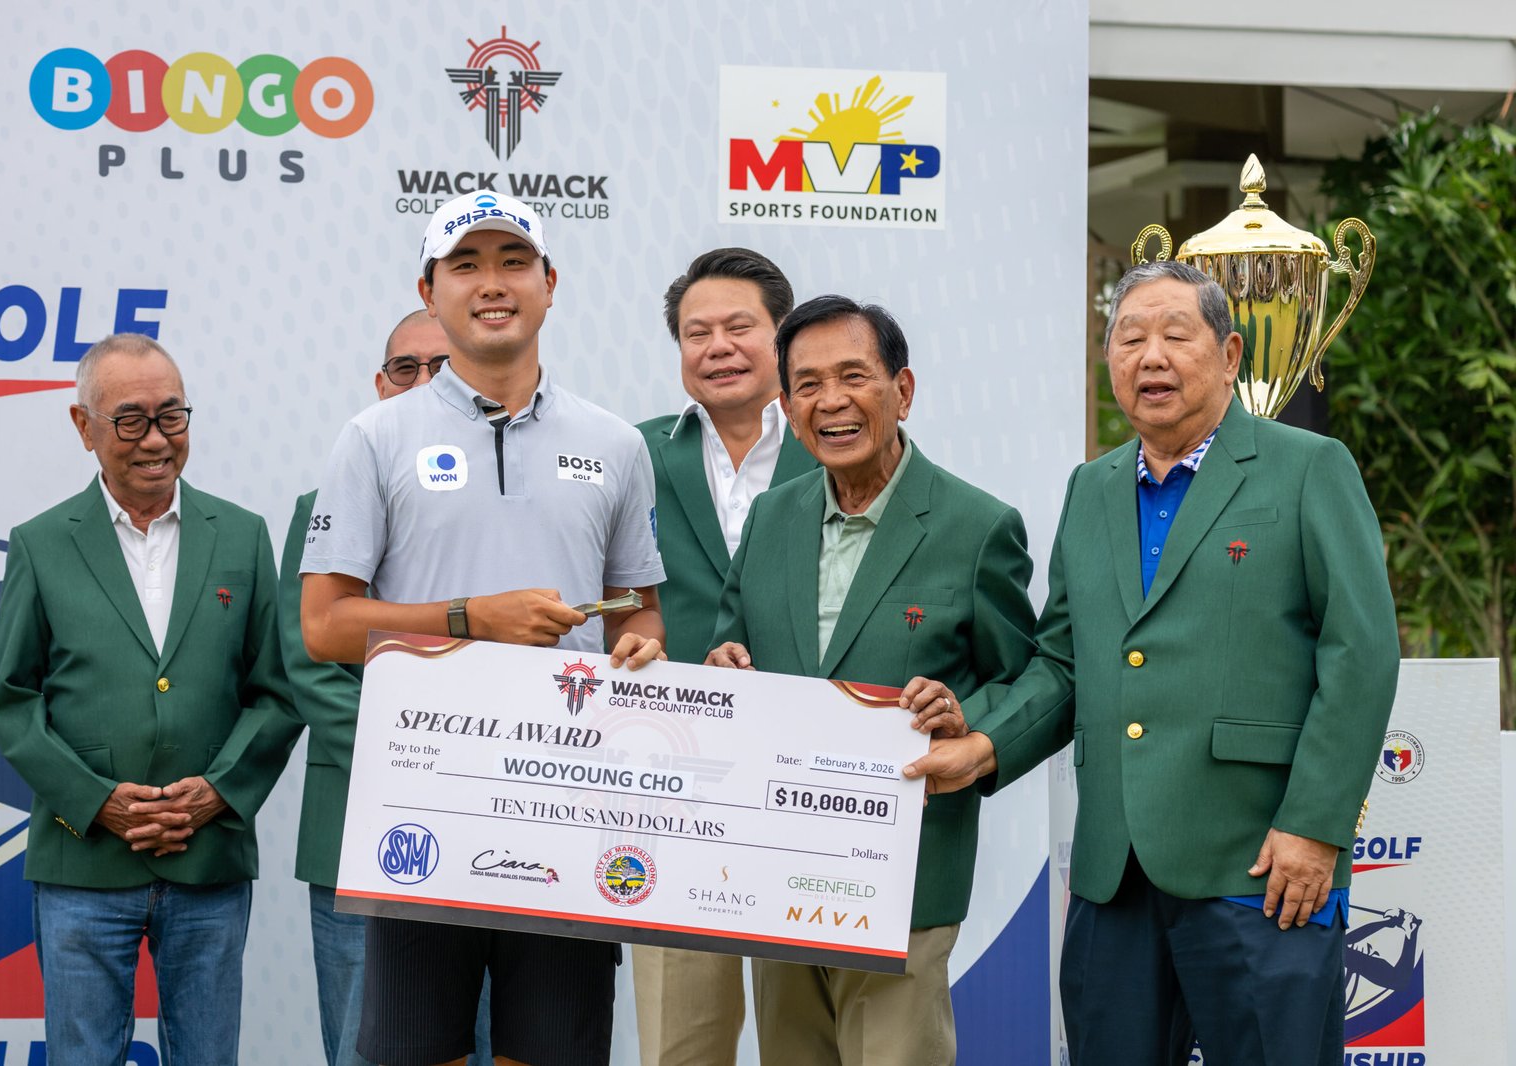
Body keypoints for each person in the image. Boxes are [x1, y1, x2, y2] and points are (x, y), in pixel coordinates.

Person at [906, 260, 1401, 1066]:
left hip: (1260, 864)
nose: (1151, 356)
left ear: (1232, 355)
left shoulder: (1308, 466)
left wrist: (1313, 827)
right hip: (1114, 875)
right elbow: (1064, 660)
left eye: (1177, 335)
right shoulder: (1091, 487)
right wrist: (985, 744)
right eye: (1130, 338)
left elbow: (1363, 652)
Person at [299, 189, 667, 1066]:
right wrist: (474, 620)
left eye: (512, 263)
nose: (491, 283)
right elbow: (325, 625)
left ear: (550, 283)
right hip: (425, 808)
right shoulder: (374, 438)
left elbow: (639, 607)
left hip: (570, 808)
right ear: (429, 291)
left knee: (553, 1053)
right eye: (465, 264)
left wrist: (643, 645)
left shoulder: (615, 444)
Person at [705, 295, 1038, 1066]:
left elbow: (1025, 679)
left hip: (904, 881)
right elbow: (734, 642)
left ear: (903, 390)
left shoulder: (978, 526)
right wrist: (723, 665)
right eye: (808, 385)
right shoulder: (771, 518)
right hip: (775, 871)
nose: (832, 402)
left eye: (854, 376)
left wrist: (967, 718)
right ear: (786, 407)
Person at [0, 333, 298, 1065]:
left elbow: (275, 695)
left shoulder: (244, 536)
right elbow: (12, 702)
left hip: (209, 862)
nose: (156, 439)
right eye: (130, 420)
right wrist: (100, 802)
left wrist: (215, 794)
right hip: (83, 866)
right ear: (84, 427)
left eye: (172, 416)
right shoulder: (40, 544)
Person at [279, 309, 497, 1066]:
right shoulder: (321, 509)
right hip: (360, 836)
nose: (425, 383)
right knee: (367, 1050)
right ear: (381, 385)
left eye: (445, 368)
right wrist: (416, 764)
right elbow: (309, 669)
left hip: (501, 828)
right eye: (407, 368)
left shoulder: (519, 509)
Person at [631, 247, 816, 1066]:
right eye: (695, 332)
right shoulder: (628, 454)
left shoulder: (842, 444)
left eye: (740, 327)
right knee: (683, 1037)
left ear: (783, 336)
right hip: (673, 785)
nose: (718, 346)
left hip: (805, 781)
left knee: (806, 1035)